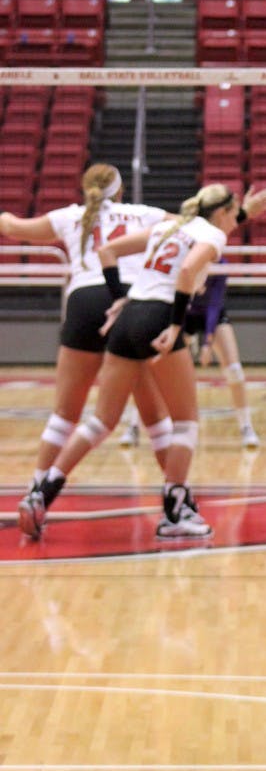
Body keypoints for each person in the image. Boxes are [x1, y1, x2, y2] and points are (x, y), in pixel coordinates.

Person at [22, 183, 242, 538]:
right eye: (235, 214)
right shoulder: (213, 235)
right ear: (221, 214)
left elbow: (107, 250)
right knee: (185, 421)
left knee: (101, 421)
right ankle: (174, 513)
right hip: (159, 317)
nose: (237, 221)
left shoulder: (168, 227)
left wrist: (119, 298)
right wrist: (174, 326)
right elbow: (186, 272)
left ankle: (42, 493)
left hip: (129, 315)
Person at [0, 163, 174, 539]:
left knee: (64, 413)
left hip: (83, 300)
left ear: (85, 189)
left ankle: (35, 494)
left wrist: (6, 215)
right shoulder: (145, 214)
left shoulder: (69, 217)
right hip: (131, 301)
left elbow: (13, 227)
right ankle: (176, 502)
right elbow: (187, 225)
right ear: (122, 191)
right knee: (155, 415)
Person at [118, 184, 266, 449]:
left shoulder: (211, 247)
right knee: (153, 371)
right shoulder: (195, 238)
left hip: (202, 313)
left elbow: (214, 304)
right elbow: (188, 265)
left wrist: (207, 342)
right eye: (233, 211)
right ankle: (134, 427)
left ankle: (246, 427)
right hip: (176, 308)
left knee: (233, 368)